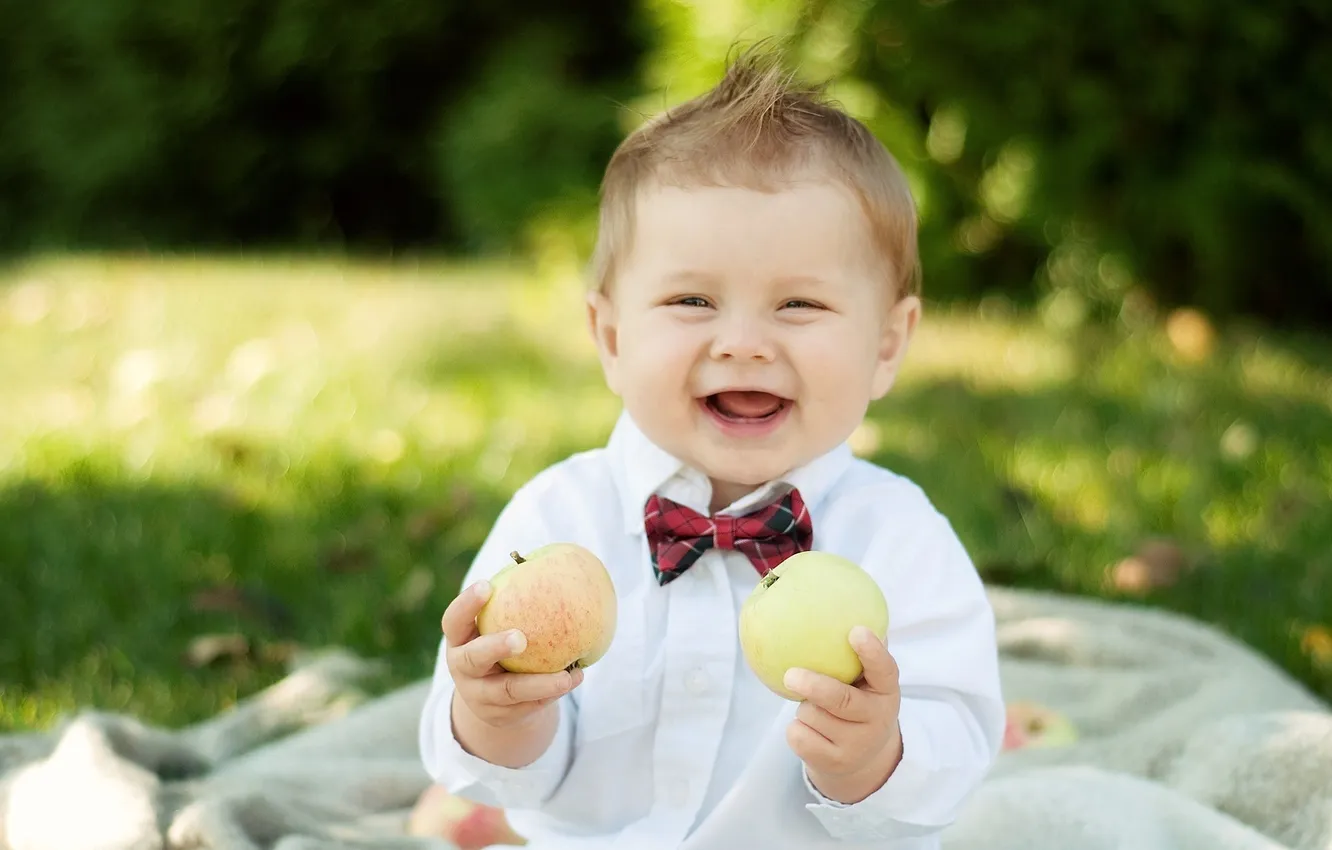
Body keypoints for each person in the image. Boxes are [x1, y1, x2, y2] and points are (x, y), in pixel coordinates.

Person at [419, 46, 1004, 850]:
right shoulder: (557, 520)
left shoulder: (901, 539)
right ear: (612, 336)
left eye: (799, 304)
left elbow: (960, 746)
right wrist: (494, 715)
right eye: (692, 299)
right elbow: (501, 776)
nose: (743, 343)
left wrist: (879, 754)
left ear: (886, 346)